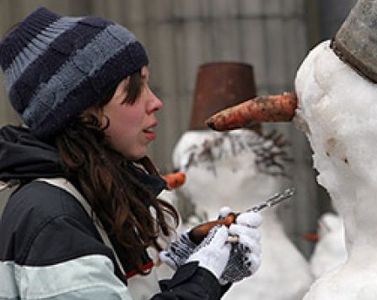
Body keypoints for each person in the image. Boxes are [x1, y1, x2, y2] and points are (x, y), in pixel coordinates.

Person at [0, 7, 262, 300]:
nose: (156, 102)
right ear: (85, 111)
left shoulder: (90, 193)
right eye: (135, 88)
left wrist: (192, 262)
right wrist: (201, 281)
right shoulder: (51, 216)